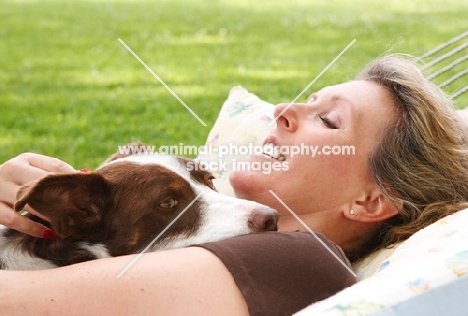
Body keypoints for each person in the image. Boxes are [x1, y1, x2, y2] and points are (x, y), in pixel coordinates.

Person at [1, 55, 468, 315]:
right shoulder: (185, 227)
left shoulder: (299, 259)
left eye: (327, 120)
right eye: (307, 100)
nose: (284, 108)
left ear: (370, 202)